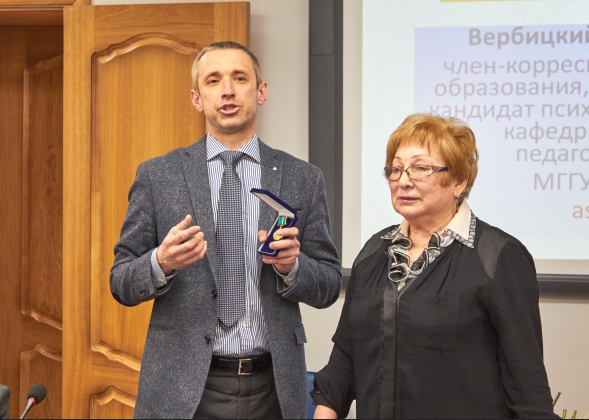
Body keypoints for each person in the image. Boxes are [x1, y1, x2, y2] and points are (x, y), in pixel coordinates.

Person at [110, 41, 341, 419]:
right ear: (197, 98)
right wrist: (161, 262)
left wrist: (292, 268)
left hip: (273, 388)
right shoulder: (158, 176)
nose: (228, 90)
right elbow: (121, 281)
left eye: (240, 78)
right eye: (213, 80)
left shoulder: (303, 178)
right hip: (183, 388)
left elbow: (329, 284)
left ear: (261, 92)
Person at [312, 114, 558, 419]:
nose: (403, 181)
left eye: (421, 168)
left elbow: (527, 383)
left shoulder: (498, 256)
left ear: (459, 181)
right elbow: (346, 358)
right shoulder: (374, 251)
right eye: (396, 169)